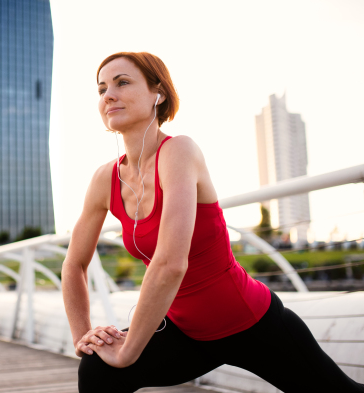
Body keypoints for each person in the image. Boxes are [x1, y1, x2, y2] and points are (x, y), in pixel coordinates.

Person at [61, 51, 364, 393]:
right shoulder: (105, 179)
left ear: (158, 93)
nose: (108, 95)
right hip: (185, 333)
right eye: (101, 89)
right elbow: (74, 264)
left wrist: (128, 351)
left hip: (251, 322)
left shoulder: (179, 152)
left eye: (122, 83)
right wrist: (84, 337)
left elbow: (171, 264)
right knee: (98, 369)